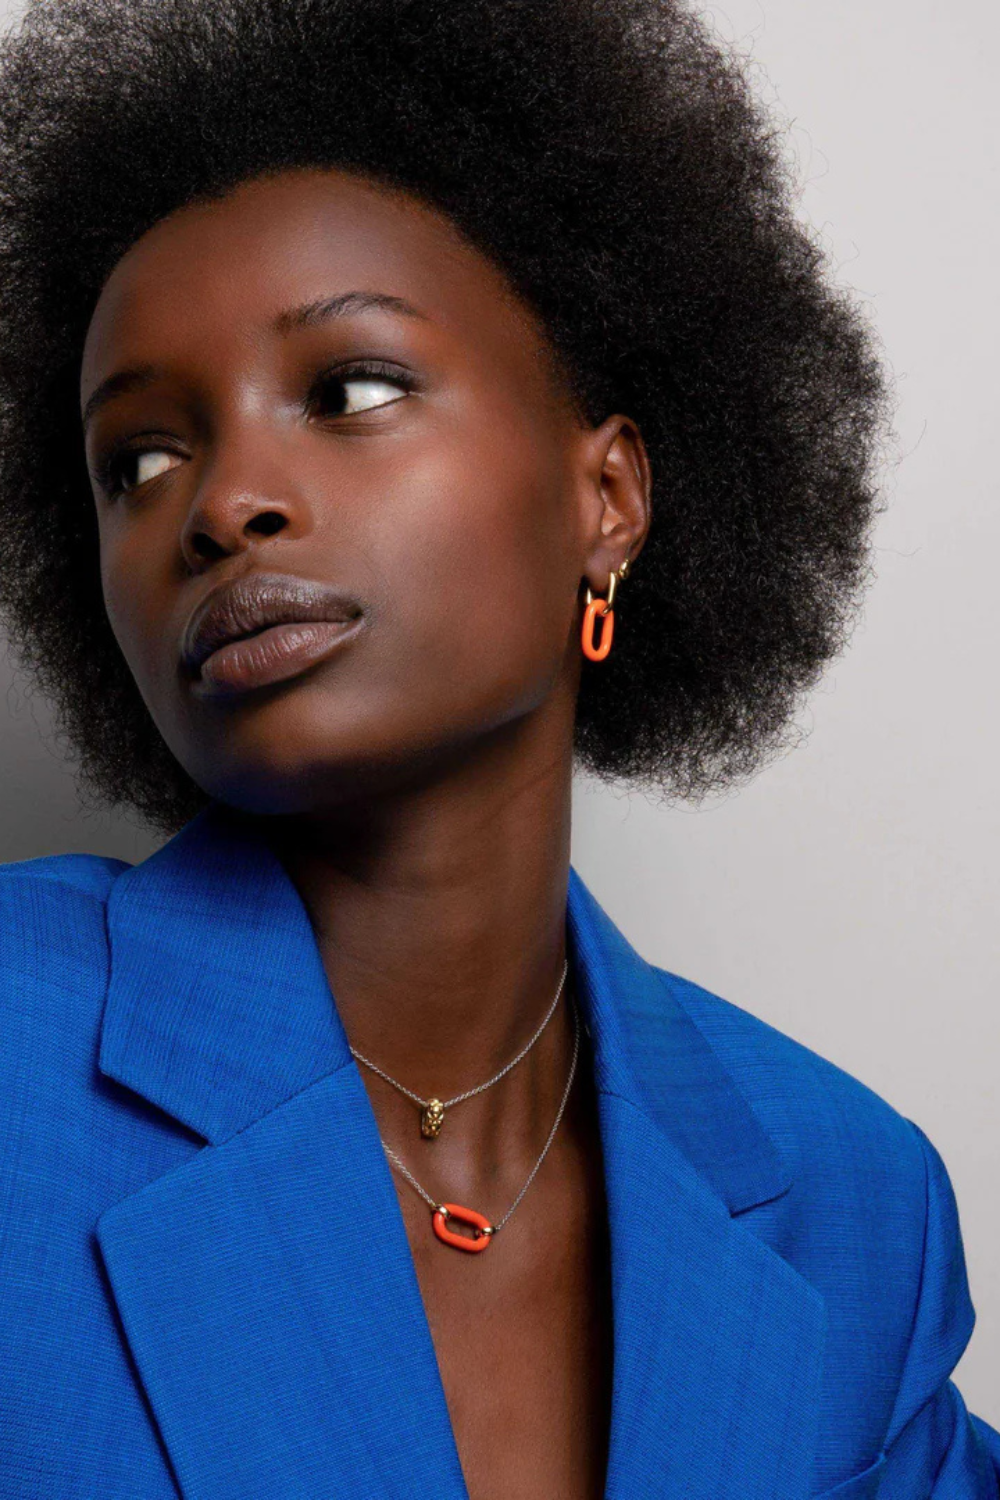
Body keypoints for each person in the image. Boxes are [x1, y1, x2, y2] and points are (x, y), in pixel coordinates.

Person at [0, 0, 996, 1495]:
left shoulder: (852, 1207)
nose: (221, 506)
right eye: (139, 459)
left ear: (608, 500)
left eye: (351, 389)